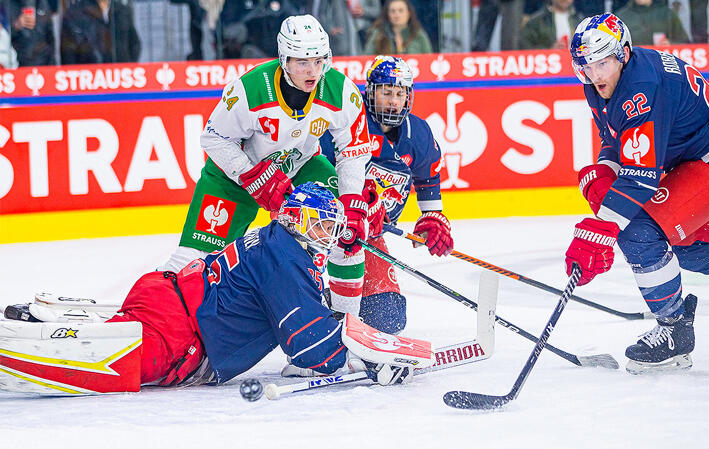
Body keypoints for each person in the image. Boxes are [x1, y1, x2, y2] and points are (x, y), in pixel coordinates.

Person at [3, 183, 420, 391]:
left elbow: (302, 329)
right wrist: (368, 362)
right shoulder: (288, 259)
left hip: (167, 295)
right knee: (98, 364)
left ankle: (55, 318)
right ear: (296, 218)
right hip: (179, 336)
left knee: (120, 328)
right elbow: (313, 351)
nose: (330, 236)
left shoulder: (275, 239)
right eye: (323, 225)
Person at [563, 14, 709, 374]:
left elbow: (641, 178)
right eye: (585, 66)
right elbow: (618, 140)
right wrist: (605, 169)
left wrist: (602, 228)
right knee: (689, 248)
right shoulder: (607, 82)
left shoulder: (641, 88)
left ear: (623, 53)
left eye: (602, 63)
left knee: (639, 232)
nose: (595, 75)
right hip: (699, 154)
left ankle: (674, 332)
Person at [161, 15, 372, 321]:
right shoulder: (249, 90)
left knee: (345, 231)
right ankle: (155, 315)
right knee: (194, 260)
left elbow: (352, 151)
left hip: (300, 169)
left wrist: (352, 202)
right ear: (284, 59)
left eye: (318, 60)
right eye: (302, 62)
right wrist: (252, 176)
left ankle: (344, 326)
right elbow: (213, 138)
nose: (312, 71)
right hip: (233, 178)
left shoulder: (341, 91)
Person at [319, 55, 454, 335]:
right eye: (386, 92)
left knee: (387, 316)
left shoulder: (418, 134)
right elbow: (319, 173)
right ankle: (324, 308)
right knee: (311, 302)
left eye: (400, 93)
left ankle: (347, 320)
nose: (393, 101)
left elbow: (428, 176)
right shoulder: (348, 122)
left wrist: (433, 217)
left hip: (370, 237)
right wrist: (359, 203)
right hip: (325, 229)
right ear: (370, 92)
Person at [60, 0, 141, 64]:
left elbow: (134, 44)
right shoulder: (75, 13)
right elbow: (68, 54)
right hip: (88, 77)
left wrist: (129, 67)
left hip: (121, 76)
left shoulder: (122, 10)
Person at [363, 0, 432, 55]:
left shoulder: (419, 35)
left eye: (401, 10)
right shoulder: (377, 34)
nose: (397, 15)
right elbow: (367, 60)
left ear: (408, 13)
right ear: (388, 14)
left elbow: (429, 60)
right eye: (393, 11)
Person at [615, 0, 689, 45]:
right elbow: (613, 47)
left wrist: (671, 45)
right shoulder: (621, 17)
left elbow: (685, 43)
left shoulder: (667, 14)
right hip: (632, 66)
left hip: (662, 65)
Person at [8, 0, 56, 66]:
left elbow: (50, 37)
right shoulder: (7, 4)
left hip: (43, 64)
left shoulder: (42, 3)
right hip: (17, 64)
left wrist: (53, 65)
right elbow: (3, 40)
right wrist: (16, 26)